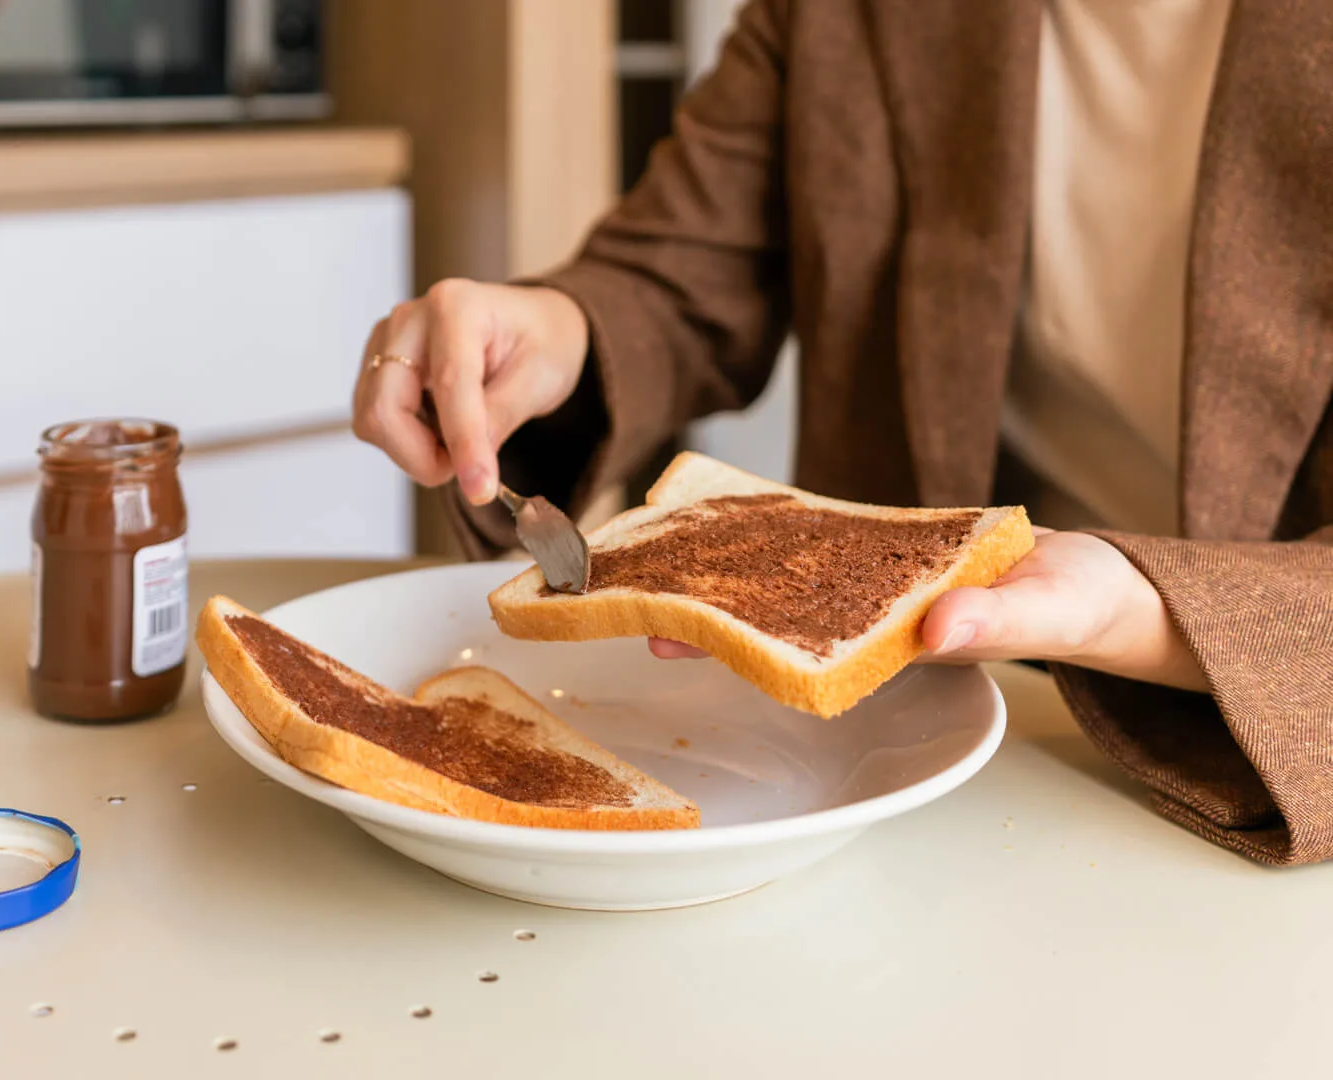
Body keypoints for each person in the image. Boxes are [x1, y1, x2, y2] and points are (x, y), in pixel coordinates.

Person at [350, 0, 1333, 866]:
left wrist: (1150, 607)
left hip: (1245, 755)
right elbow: (681, 271)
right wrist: (561, 330)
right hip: (880, 765)